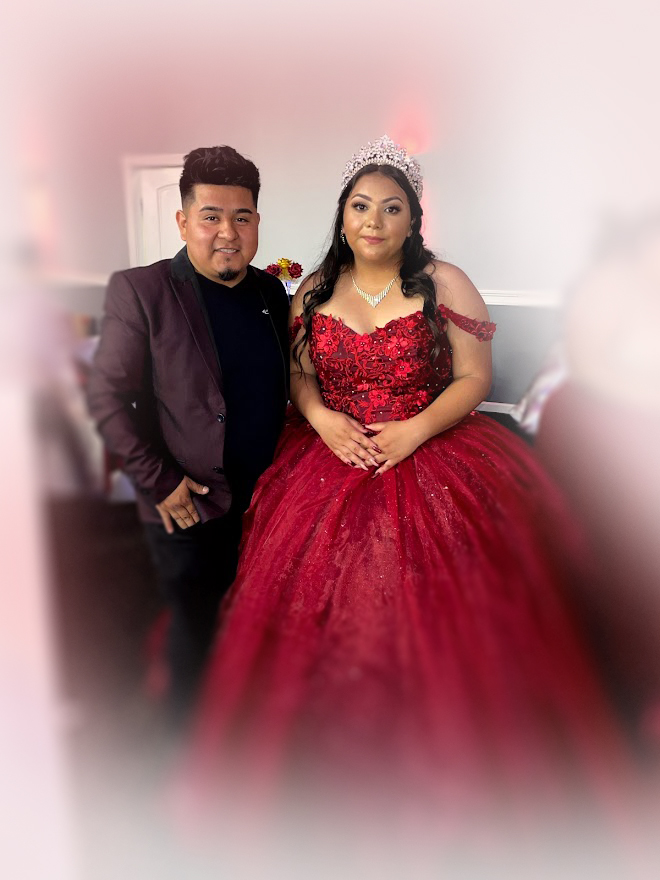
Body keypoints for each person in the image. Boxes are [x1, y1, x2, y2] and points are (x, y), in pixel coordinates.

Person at [175, 138, 640, 870]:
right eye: (361, 205)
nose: (374, 220)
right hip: (328, 456)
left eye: (392, 208)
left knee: (454, 622)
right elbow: (301, 378)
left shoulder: (445, 282)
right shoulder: (314, 288)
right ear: (343, 214)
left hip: (434, 450)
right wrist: (323, 420)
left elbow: (475, 376)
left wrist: (415, 429)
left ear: (413, 218)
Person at [87, 145, 290, 721]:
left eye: (242, 217)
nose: (228, 232)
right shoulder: (142, 291)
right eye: (210, 217)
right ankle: (185, 749)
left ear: (256, 222)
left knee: (254, 632)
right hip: (187, 504)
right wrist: (160, 482)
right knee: (195, 636)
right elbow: (106, 397)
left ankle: (238, 735)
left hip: (266, 505)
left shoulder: (271, 294)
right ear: (182, 221)